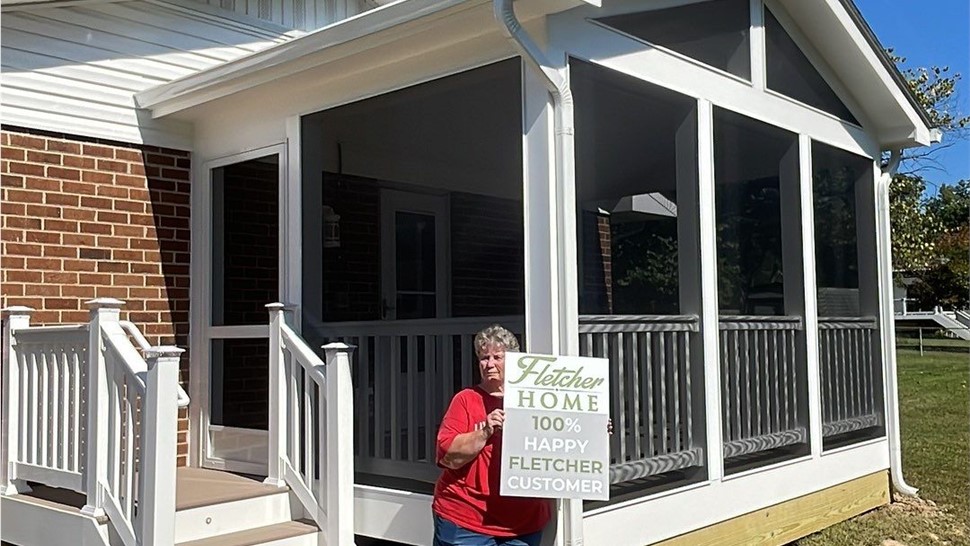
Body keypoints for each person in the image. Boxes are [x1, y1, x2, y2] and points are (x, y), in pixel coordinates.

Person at [431, 324, 550, 546]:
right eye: (484, 357)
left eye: (498, 357)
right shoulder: (466, 399)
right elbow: (447, 455)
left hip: (523, 523)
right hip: (466, 519)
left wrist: (594, 432)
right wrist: (485, 431)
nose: (490, 364)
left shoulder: (539, 399)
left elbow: (563, 439)